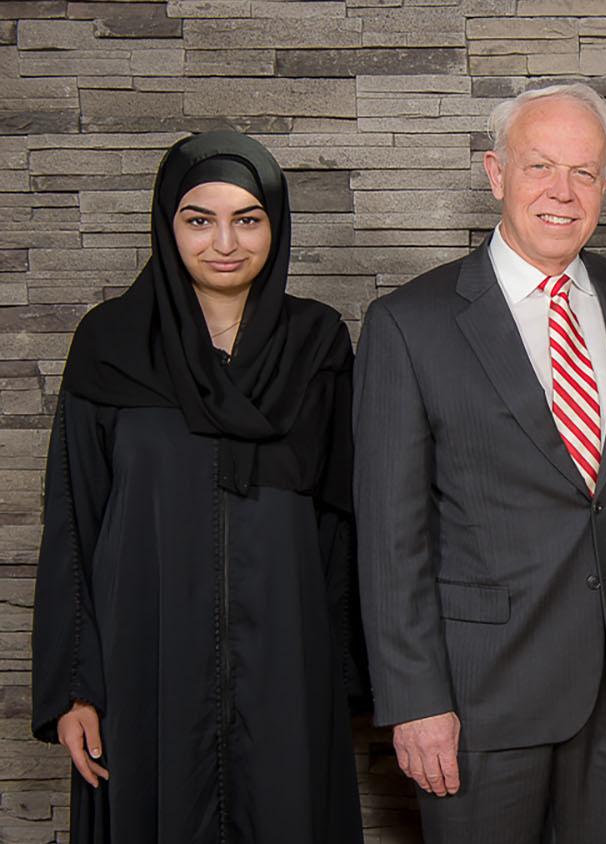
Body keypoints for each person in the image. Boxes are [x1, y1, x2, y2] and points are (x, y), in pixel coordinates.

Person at [353, 83, 606, 843]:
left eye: (585, 173)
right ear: (496, 174)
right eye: (540, 167)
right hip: (478, 696)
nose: (563, 193)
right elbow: (390, 537)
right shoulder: (409, 324)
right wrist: (414, 700)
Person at [30, 130, 362, 843]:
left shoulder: (318, 344)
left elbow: (342, 520)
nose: (225, 242)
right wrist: (75, 686)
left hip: (286, 661)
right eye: (198, 219)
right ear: (166, 223)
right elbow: (74, 517)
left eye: (248, 218)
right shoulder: (110, 343)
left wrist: (338, 675)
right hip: (142, 658)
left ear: (276, 223)